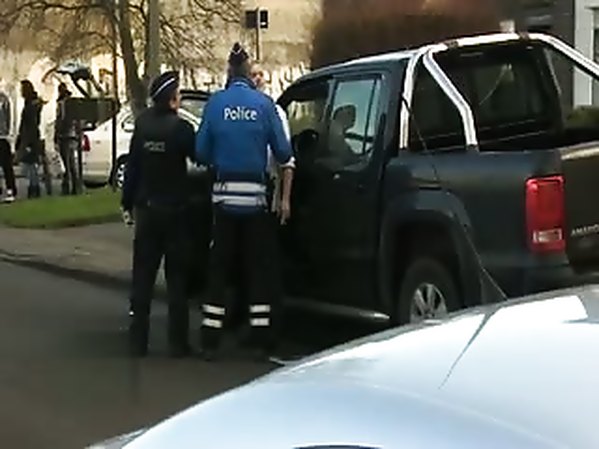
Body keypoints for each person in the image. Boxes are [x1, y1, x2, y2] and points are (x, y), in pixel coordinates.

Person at [195, 43, 295, 360]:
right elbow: (284, 152)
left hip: (223, 200)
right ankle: (261, 340)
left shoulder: (216, 104)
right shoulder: (264, 105)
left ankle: (210, 339)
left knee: (219, 269)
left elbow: (200, 151)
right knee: (257, 269)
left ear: (228, 71)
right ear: (249, 73)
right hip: (255, 201)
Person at [121, 71, 196, 358]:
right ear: (172, 98)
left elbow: (133, 167)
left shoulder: (142, 125)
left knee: (142, 278)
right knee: (177, 280)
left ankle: (137, 340)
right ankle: (178, 343)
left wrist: (127, 202)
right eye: (178, 93)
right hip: (175, 212)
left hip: (148, 211)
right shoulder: (181, 128)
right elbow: (200, 156)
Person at [15, 80, 44, 199]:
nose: (20, 92)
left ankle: (34, 188)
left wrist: (27, 142)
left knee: (30, 164)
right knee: (30, 164)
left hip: (30, 138)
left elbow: (30, 124)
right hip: (31, 137)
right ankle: (34, 187)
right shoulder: (32, 104)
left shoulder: (30, 106)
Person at [55, 82, 80, 196]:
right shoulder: (72, 103)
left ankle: (66, 187)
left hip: (64, 136)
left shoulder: (62, 104)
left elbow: (60, 119)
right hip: (72, 135)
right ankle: (75, 187)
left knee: (66, 164)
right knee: (71, 162)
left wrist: (57, 133)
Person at [0, 90, 16, 202]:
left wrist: (9, 133)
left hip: (3, 137)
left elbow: (9, 117)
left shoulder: (4, 99)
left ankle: (10, 189)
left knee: (6, 166)